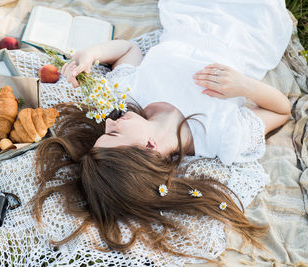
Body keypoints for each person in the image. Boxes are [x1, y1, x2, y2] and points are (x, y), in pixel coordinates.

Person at [33, 0, 292, 262]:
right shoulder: (221, 136)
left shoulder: (126, 96)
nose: (110, 122)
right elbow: (281, 111)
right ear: (149, 146)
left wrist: (91, 53)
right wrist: (246, 86)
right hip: (249, 27)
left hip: (188, 12)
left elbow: (128, 49)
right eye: (113, 133)